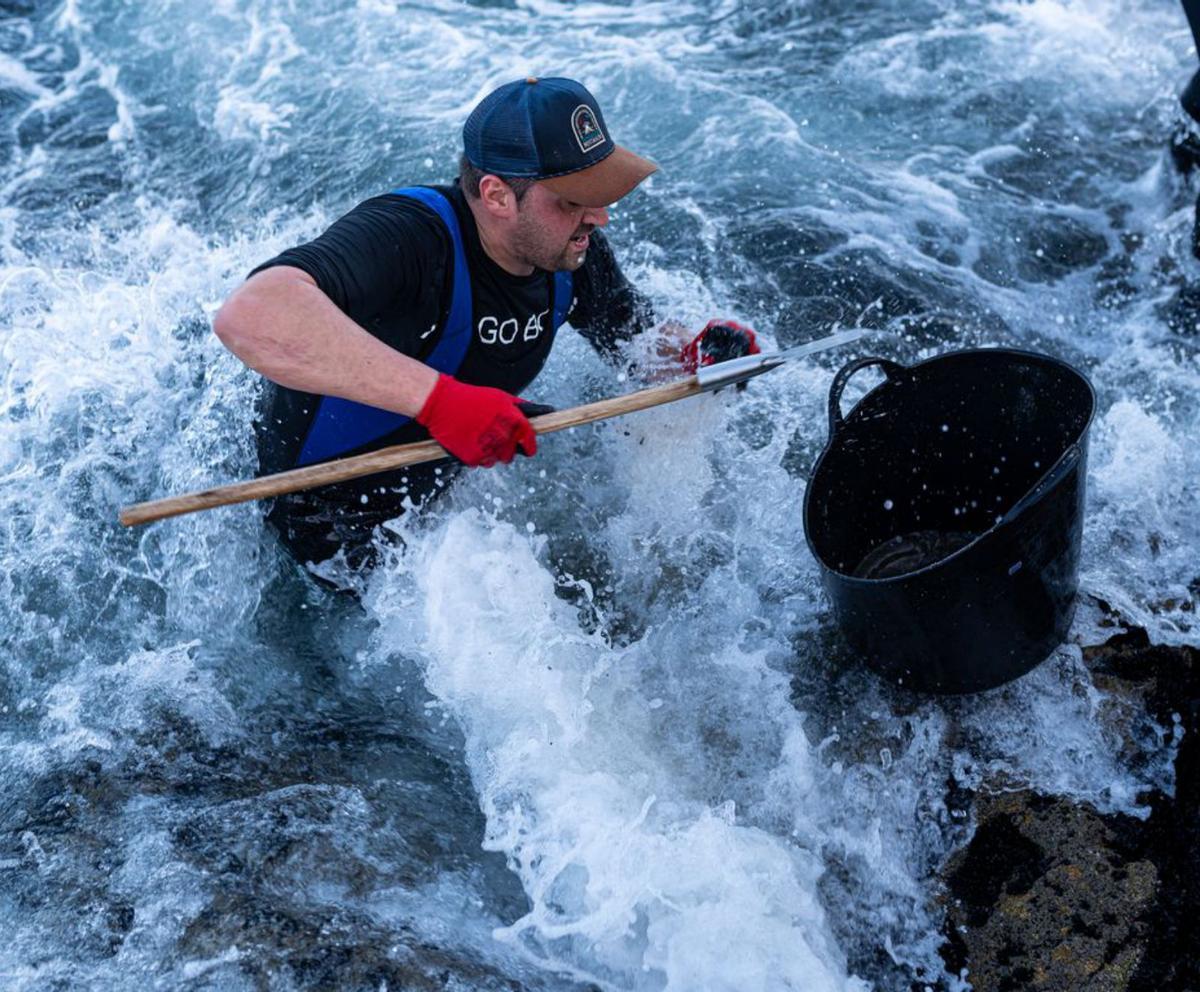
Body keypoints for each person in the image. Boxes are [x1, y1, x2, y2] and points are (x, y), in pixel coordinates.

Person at [213, 77, 759, 572]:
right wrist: (441, 403)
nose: (599, 217)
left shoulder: (570, 250)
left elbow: (635, 341)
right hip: (319, 526)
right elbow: (251, 314)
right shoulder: (410, 238)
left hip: (425, 508)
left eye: (599, 194)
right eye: (574, 200)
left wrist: (697, 357)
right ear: (497, 195)